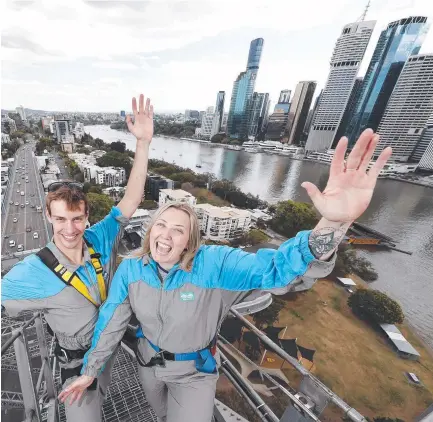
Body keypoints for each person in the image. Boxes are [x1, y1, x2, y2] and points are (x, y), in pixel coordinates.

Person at [59, 129, 392, 422]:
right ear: (149, 231)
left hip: (193, 374)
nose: (166, 235)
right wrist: (89, 371)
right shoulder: (132, 268)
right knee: (160, 415)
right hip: (148, 366)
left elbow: (276, 272)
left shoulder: (214, 265)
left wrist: (333, 224)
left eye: (178, 230)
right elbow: (111, 321)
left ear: (190, 241)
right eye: (160, 225)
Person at [1, 94, 154, 421]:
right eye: (60, 220)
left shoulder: (99, 236)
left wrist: (143, 144)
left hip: (110, 348)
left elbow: (132, 198)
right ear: (48, 218)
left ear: (87, 217)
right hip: (77, 362)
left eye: (76, 219)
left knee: (105, 394)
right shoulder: (33, 271)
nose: (69, 229)